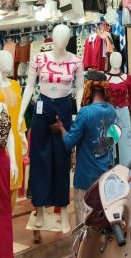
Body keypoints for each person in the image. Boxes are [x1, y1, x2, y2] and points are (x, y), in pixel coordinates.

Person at [50, 71, 117, 228]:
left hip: (86, 178)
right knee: (100, 221)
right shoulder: (112, 110)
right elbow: (112, 140)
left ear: (88, 88)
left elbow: (69, 142)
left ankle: (84, 245)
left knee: (84, 224)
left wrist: (61, 128)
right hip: (105, 176)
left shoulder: (85, 113)